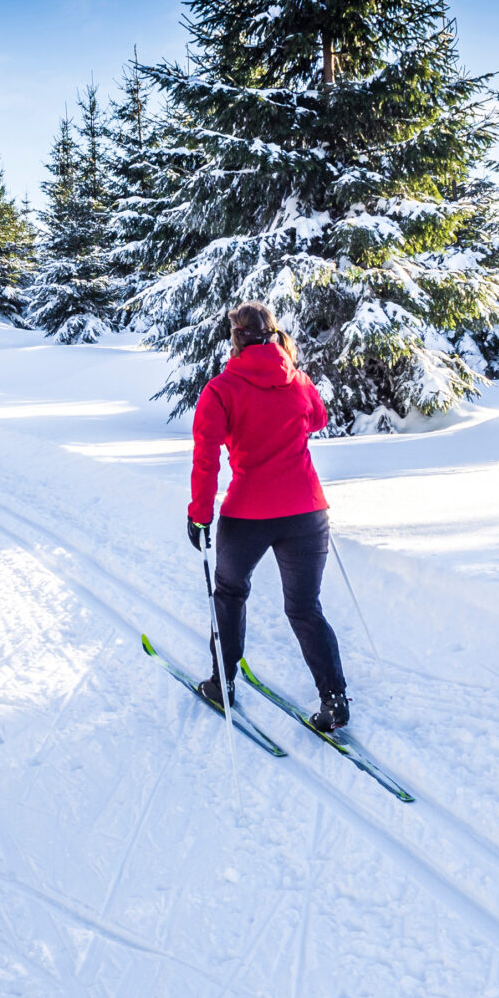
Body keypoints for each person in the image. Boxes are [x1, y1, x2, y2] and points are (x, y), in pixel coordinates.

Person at [187, 301, 349, 731]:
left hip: (248, 514)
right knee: (304, 608)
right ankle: (334, 699)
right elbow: (318, 418)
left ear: (236, 337)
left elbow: (206, 460)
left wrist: (199, 516)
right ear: (272, 333)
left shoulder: (221, 389)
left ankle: (223, 684)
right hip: (306, 512)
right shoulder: (296, 377)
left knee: (230, 593)